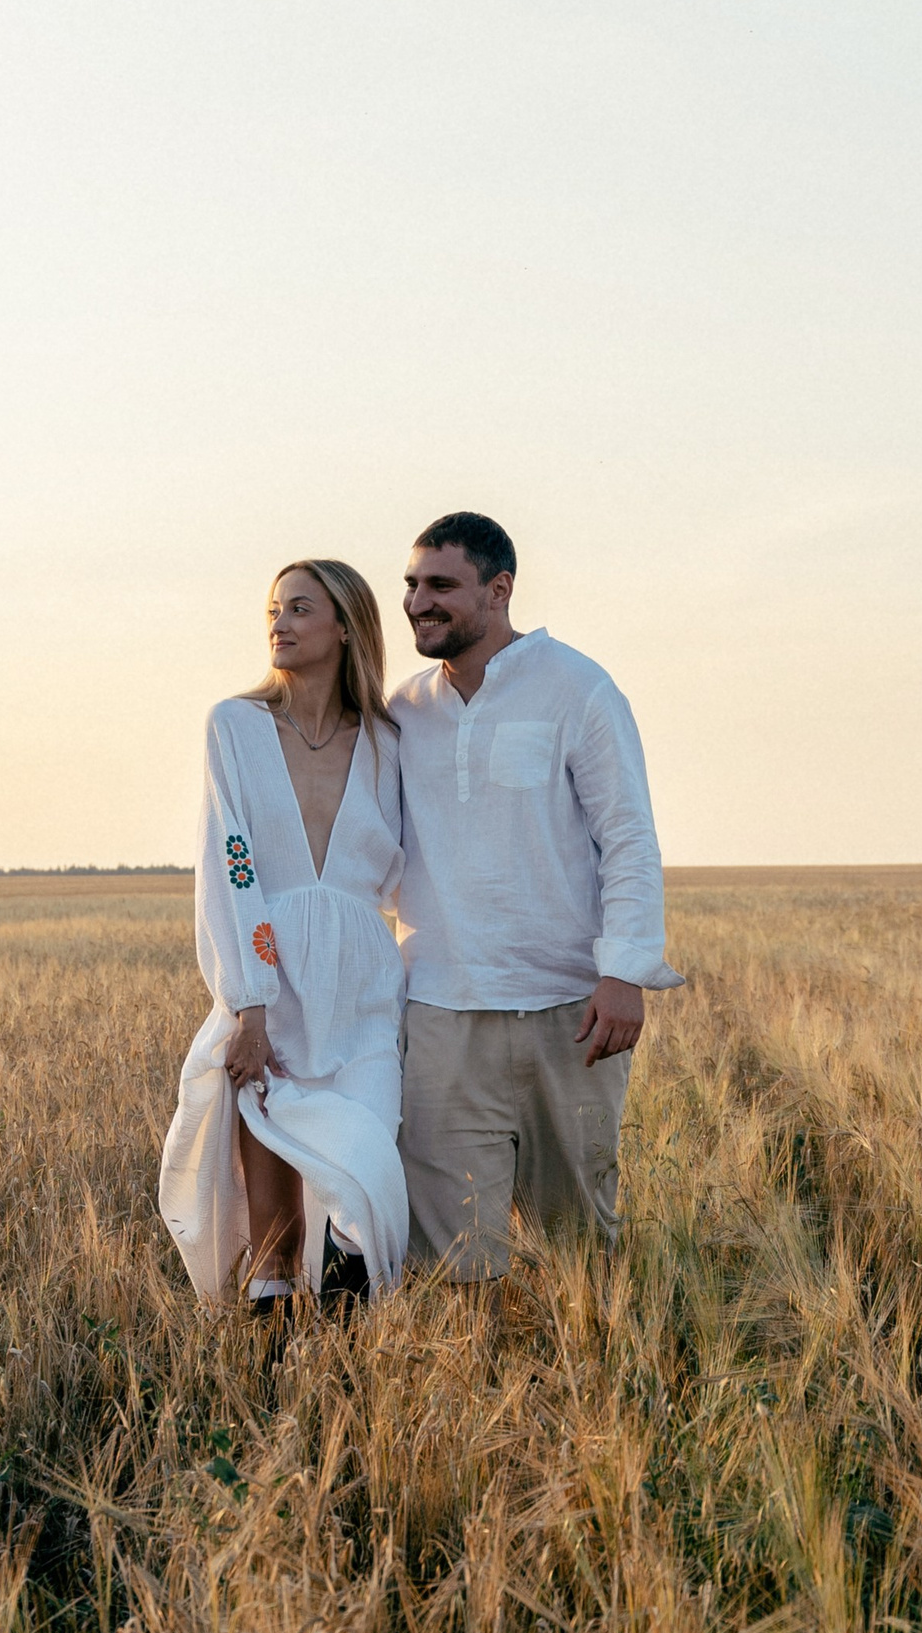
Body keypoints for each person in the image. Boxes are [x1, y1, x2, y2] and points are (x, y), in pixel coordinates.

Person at [390, 510, 681, 1279]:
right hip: (442, 1017)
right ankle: (473, 1396)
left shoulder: (578, 689)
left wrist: (623, 973)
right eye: (412, 585)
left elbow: (628, 837)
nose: (420, 602)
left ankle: (584, 1390)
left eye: (441, 585)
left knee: (577, 1244)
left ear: (500, 588)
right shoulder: (402, 712)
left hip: (569, 1013)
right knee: (451, 1256)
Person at [159, 560, 408, 1312]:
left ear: (345, 626)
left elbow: (416, 870)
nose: (280, 622)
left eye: (300, 608)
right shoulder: (234, 727)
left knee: (363, 1180)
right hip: (276, 983)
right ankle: (277, 1391)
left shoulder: (390, 743)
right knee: (275, 1221)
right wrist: (250, 1005)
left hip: (365, 991)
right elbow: (229, 865)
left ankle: (349, 1370)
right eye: (273, 608)